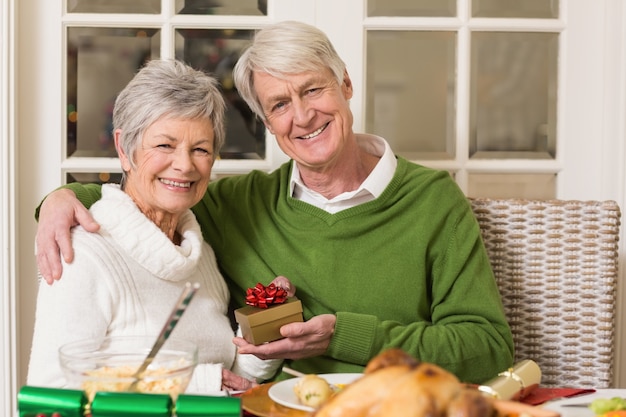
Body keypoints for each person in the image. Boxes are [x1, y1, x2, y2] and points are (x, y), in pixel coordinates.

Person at [35, 21, 515, 384]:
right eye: (280, 104)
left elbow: (488, 348)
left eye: (313, 90)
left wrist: (345, 335)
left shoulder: (433, 202)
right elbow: (153, 196)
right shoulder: (239, 204)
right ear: (267, 121)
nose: (302, 116)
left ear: (345, 85)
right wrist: (63, 198)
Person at [27, 59, 286, 393]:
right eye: (165, 145)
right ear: (124, 149)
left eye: (201, 149)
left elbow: (230, 375)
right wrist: (201, 383)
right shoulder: (84, 257)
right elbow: (52, 394)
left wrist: (266, 326)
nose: (184, 165)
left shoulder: (201, 255)